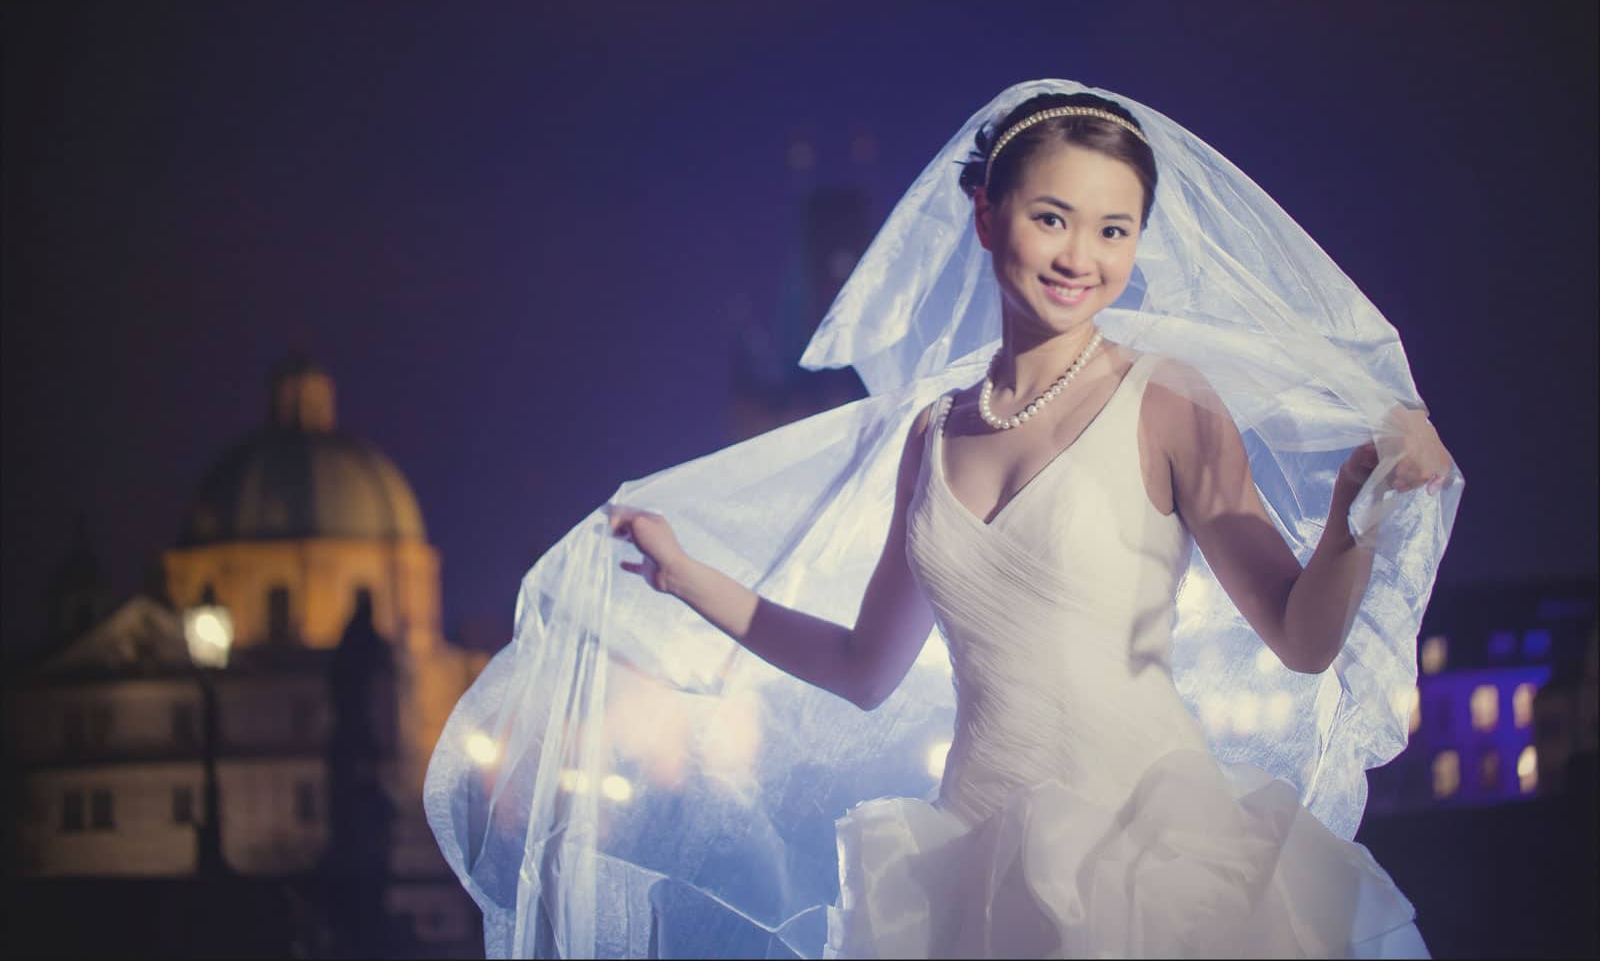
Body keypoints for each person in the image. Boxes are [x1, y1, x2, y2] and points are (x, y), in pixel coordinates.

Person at [425, 81, 1462, 959]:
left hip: (1154, 865)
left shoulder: (1168, 402)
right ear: (985, 216)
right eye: (1052, 217)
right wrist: (690, 577)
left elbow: (1302, 637)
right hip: (966, 868)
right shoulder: (931, 434)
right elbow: (864, 670)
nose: (1080, 255)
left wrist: (1350, 524)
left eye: (1114, 230)